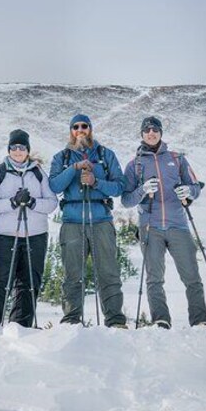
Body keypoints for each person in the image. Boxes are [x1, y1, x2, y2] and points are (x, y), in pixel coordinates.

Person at [121, 116, 206, 329]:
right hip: (150, 227)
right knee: (154, 278)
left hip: (178, 224)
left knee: (192, 276)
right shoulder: (135, 165)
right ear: (141, 134)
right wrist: (142, 190)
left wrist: (189, 191)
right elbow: (126, 200)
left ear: (161, 132)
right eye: (147, 130)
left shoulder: (177, 159)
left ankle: (199, 321)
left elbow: (195, 186)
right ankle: (161, 320)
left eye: (155, 129)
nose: (151, 133)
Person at [48, 114, 127, 328]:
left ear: (90, 129)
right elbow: (54, 186)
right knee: (73, 273)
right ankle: (71, 320)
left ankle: (115, 320)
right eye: (75, 126)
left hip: (101, 219)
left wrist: (96, 182)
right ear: (71, 130)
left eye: (84, 126)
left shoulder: (105, 155)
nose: (80, 130)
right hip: (72, 221)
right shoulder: (61, 157)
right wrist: (73, 169)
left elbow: (120, 186)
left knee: (108, 272)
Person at [0, 129, 58, 327]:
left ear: (28, 150)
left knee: (29, 282)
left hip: (35, 235)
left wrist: (31, 202)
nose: (18, 151)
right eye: (14, 147)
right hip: (3, 235)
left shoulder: (38, 173)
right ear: (9, 149)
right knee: (0, 279)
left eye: (22, 147)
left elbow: (51, 203)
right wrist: (12, 202)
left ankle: (20, 327)